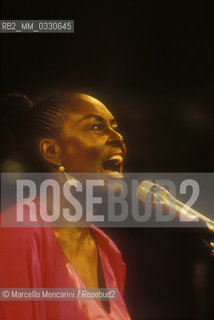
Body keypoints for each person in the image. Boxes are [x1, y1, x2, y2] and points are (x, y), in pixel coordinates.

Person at [0, 91, 131, 319]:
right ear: (52, 152)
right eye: (97, 127)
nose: (117, 137)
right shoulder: (19, 228)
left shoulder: (109, 250)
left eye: (114, 126)